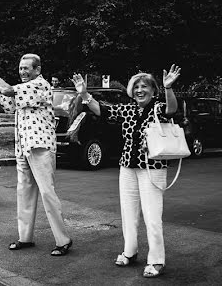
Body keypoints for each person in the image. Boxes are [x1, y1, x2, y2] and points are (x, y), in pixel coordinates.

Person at [73, 65, 181, 278]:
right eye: (137, 87)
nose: (140, 90)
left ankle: (157, 260)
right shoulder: (128, 109)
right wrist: (84, 94)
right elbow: (102, 110)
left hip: (152, 168)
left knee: (152, 216)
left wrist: (168, 87)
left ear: (153, 90)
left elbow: (172, 110)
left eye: (145, 87)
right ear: (132, 90)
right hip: (127, 167)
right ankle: (130, 251)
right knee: (128, 213)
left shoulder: (158, 108)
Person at [0, 54, 73, 256]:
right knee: (24, 193)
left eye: (27, 68)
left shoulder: (40, 85)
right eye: (20, 68)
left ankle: (63, 240)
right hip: (23, 146)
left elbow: (8, 89)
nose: (22, 72)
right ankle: (25, 238)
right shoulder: (22, 89)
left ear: (37, 69)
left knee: (47, 193)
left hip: (41, 146)